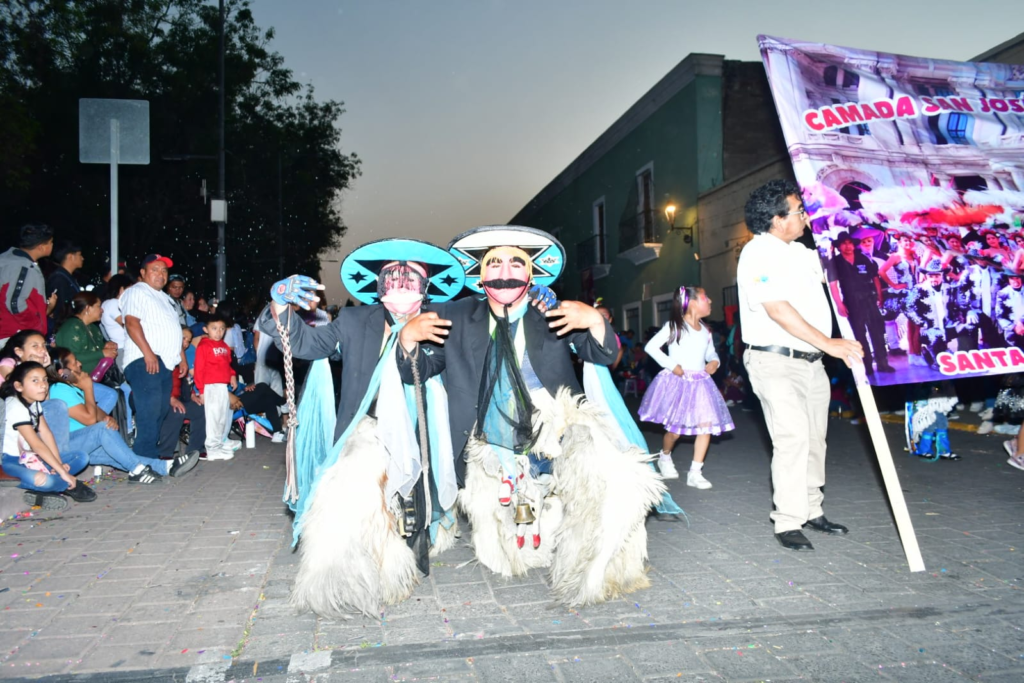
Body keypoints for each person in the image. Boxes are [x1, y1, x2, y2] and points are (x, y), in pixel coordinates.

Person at [398, 225, 664, 607]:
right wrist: (408, 340)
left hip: (553, 423)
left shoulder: (552, 312)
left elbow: (603, 356)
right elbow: (416, 373)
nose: (504, 270)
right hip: (479, 435)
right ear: (479, 274)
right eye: (494, 262)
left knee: (610, 478)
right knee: (505, 560)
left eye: (515, 262)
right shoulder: (451, 314)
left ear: (531, 273)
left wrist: (594, 321)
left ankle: (596, 560)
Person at [259, 238, 467, 618]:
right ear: (378, 285)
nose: (402, 282)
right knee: (349, 492)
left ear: (427, 286)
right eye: (392, 276)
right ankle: (342, 577)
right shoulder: (355, 321)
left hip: (423, 430)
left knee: (414, 506)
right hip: (365, 426)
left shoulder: (441, 322)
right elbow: (303, 343)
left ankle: (408, 553)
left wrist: (408, 339)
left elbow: (419, 370)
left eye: (412, 276)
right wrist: (279, 305)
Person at [737, 180, 863, 552]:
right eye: (798, 211)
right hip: (774, 360)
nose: (805, 217)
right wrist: (829, 344)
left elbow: (838, 272)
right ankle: (788, 520)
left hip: (812, 363)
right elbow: (778, 311)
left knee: (813, 440)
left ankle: (811, 509)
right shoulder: (757, 254)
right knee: (791, 438)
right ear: (776, 220)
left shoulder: (801, 253)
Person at [48, 348, 199, 481]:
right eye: (74, 363)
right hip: (68, 445)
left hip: (82, 442)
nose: (79, 364)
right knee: (104, 431)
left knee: (120, 456)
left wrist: (106, 418)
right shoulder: (59, 389)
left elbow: (93, 411)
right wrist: (88, 388)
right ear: (63, 373)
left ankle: (168, 466)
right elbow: (89, 419)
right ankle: (137, 470)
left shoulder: (71, 388)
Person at [638, 286, 734, 489]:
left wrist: (714, 362)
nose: (710, 301)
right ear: (691, 302)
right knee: (675, 431)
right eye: (705, 297)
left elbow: (711, 353)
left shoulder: (706, 331)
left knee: (705, 426)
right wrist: (672, 366)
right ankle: (665, 456)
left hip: (701, 383)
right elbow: (651, 347)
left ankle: (695, 472)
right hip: (679, 383)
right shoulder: (675, 326)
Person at [1, 362, 93, 511]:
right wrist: (63, 473)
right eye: (35, 380)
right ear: (19, 386)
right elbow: (36, 444)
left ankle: (44, 491)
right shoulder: (15, 406)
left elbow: (46, 433)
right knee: (45, 480)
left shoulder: (34, 403)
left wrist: (57, 464)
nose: (43, 385)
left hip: (32, 458)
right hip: (8, 462)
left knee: (81, 457)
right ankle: (64, 484)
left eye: (44, 379)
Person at [121, 254, 184, 459]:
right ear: (143, 273)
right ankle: (142, 463)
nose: (160, 274)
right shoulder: (138, 291)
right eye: (155, 269)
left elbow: (173, 329)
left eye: (164, 270)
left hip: (164, 363)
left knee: (160, 411)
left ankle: (150, 458)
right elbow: (132, 323)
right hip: (144, 360)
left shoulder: (166, 299)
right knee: (149, 412)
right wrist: (148, 353)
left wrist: (181, 357)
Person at [827, 231, 893, 375]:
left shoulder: (863, 258)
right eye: (843, 244)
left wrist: (879, 295)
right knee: (860, 335)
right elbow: (833, 284)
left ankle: (883, 364)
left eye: (849, 243)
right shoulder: (835, 262)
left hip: (870, 299)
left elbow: (875, 277)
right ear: (839, 246)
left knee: (877, 333)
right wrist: (839, 305)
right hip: (852, 302)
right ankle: (868, 366)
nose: (847, 246)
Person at [0, 223, 56, 344]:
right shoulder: (23, 267)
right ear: (41, 247)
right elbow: (14, 303)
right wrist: (35, 327)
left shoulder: (8, 259)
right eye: (51, 242)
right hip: (14, 337)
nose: (52, 245)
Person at [193, 313, 239, 461]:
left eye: (222, 329)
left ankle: (219, 444)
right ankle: (212, 449)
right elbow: (199, 368)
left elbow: (227, 364)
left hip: (222, 386)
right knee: (213, 418)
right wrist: (201, 390)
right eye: (214, 328)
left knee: (222, 418)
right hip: (210, 386)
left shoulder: (224, 346)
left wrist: (232, 375)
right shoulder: (204, 346)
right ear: (206, 329)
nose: (218, 332)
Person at [54, 292, 119, 377]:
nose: (102, 310)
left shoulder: (93, 327)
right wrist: (102, 353)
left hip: (100, 376)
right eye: (98, 306)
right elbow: (70, 358)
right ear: (87, 308)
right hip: (77, 380)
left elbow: (94, 349)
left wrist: (106, 345)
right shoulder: (70, 328)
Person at [45, 240, 84, 325]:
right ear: (70, 257)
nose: (82, 258)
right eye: (79, 255)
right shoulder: (59, 278)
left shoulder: (68, 277)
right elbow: (59, 309)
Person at [100, 274, 134, 370]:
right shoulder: (113, 303)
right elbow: (127, 324)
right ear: (121, 289)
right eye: (130, 289)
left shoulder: (109, 303)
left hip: (123, 348)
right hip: (122, 349)